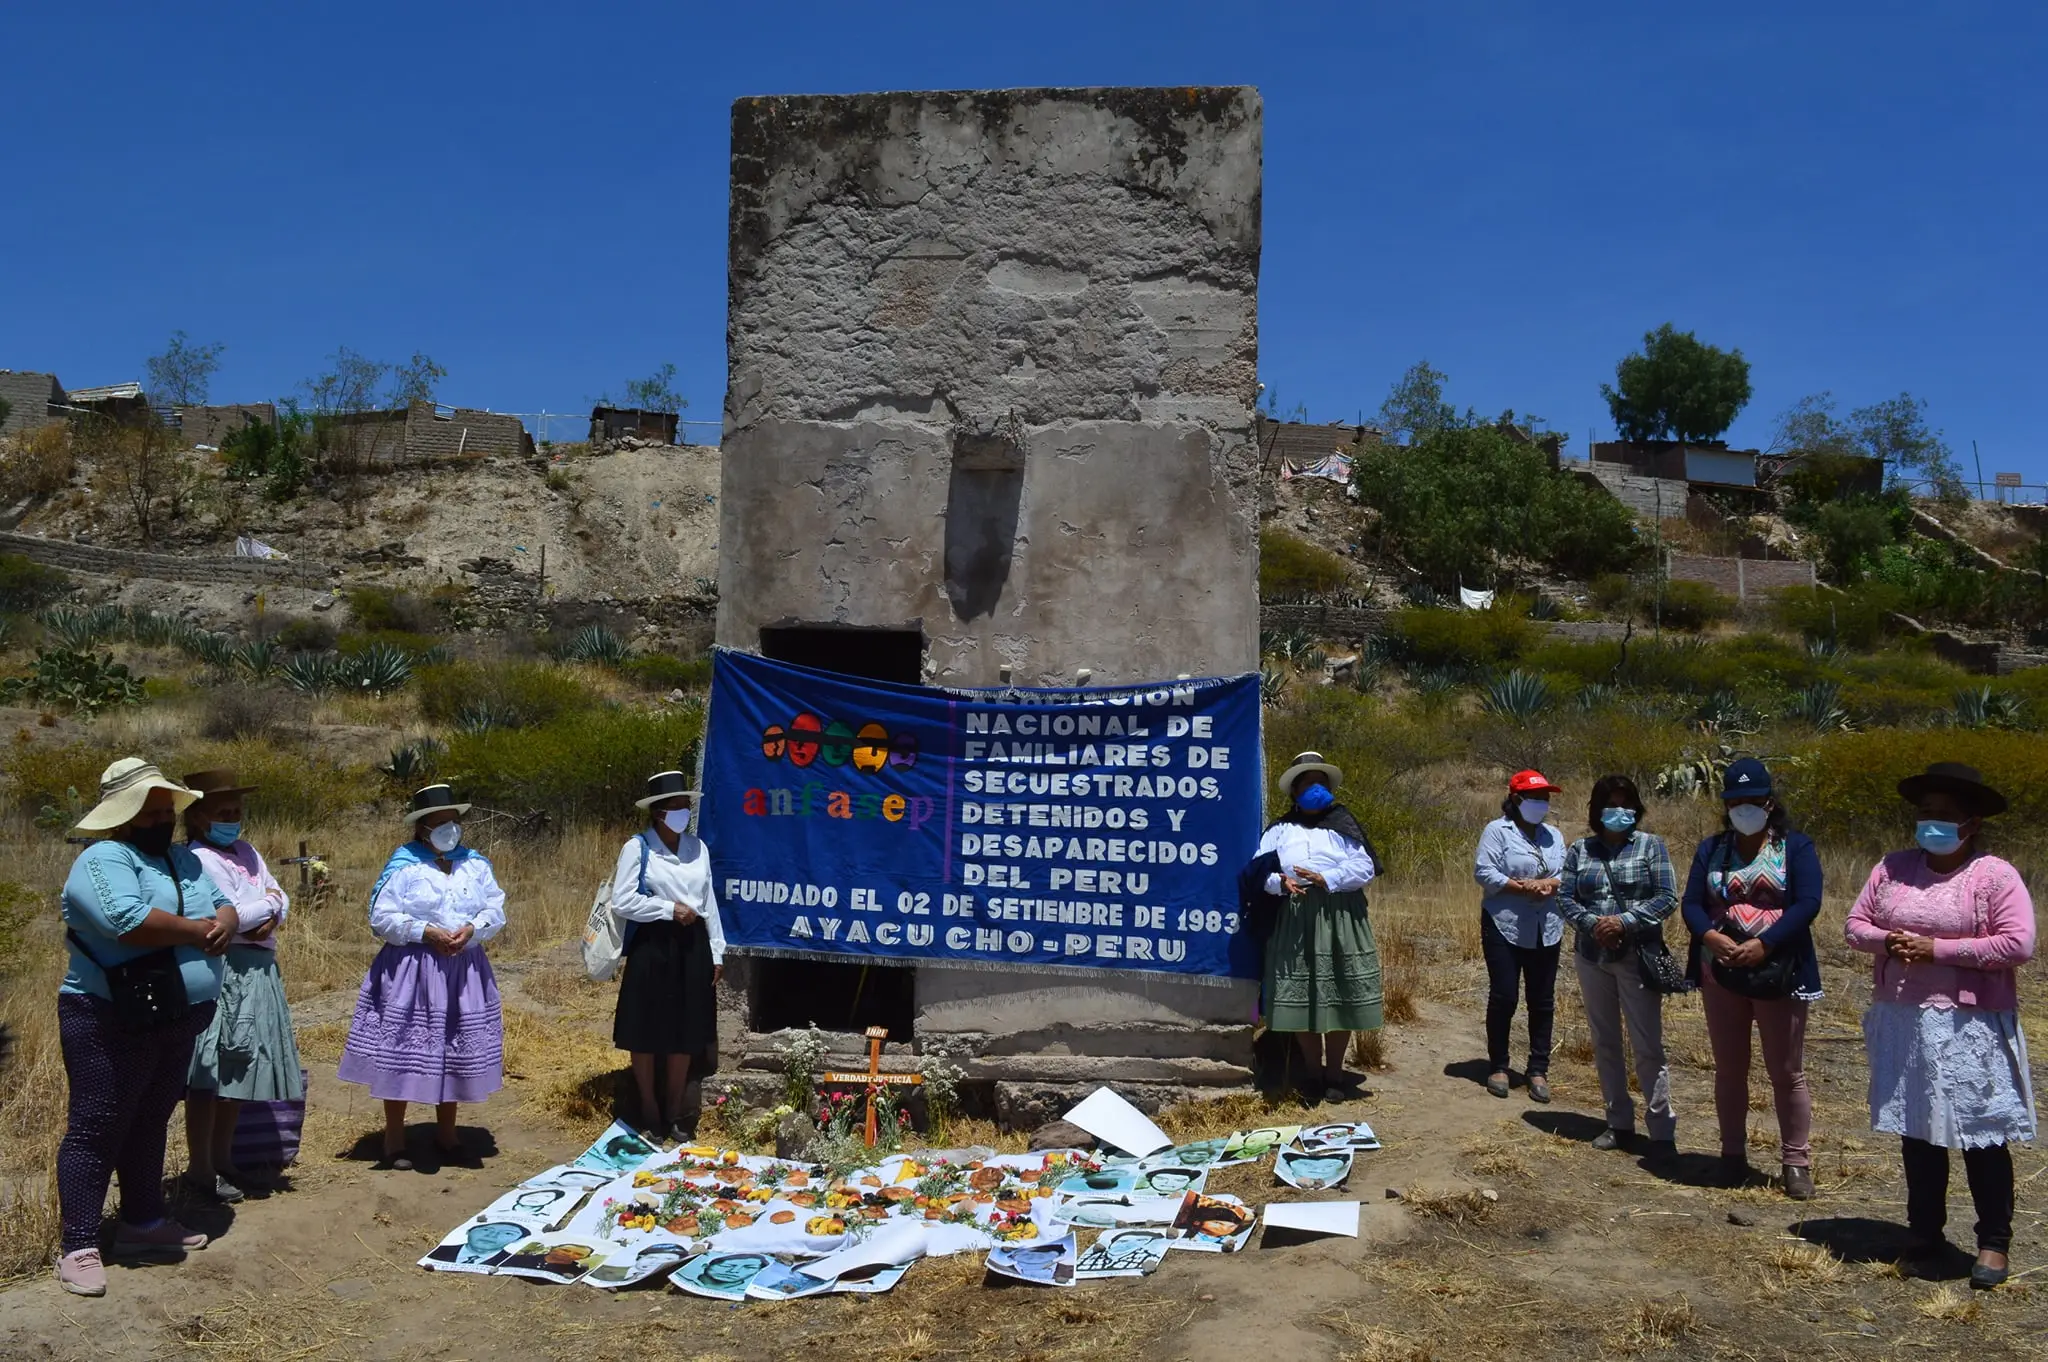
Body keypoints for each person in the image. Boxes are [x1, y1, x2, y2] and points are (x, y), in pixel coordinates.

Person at [1845, 762, 2036, 1290]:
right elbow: (1856, 925)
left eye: (1945, 816)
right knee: (1918, 1129)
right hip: (1905, 1016)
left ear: (1971, 824)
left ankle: (1993, 1242)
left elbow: (2017, 944)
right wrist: (1890, 941)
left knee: (1980, 1133)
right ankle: (1924, 1234)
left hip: (1970, 1023)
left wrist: (1939, 949)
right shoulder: (1893, 867)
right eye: (1926, 813)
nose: (1932, 823)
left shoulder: (1994, 876)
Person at [55, 759, 235, 1297]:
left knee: (151, 1117)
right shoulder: (102, 858)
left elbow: (221, 899)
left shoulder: (182, 857)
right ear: (124, 815)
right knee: (97, 1125)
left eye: (165, 810)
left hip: (174, 1013)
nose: (161, 819)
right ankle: (80, 1243)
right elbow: (124, 920)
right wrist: (201, 931)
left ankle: (142, 1221)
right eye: (149, 811)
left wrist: (224, 919)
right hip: (107, 1014)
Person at [337, 784, 506, 1171]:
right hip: (413, 969)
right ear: (422, 826)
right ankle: (394, 1138)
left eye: (453, 821)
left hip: (463, 969)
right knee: (404, 1046)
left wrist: (473, 928)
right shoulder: (404, 866)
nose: (449, 828)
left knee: (453, 1044)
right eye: (439, 822)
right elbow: (382, 917)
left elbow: (495, 908)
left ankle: (448, 1133)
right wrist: (425, 932)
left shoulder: (474, 864)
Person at [1680, 758, 1825, 1200]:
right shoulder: (1713, 848)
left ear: (1769, 802)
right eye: (1734, 801)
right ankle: (1731, 1156)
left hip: (1777, 972)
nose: (1743, 807)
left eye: (1751, 800)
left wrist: (1767, 943)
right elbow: (1691, 902)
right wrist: (1709, 935)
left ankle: (1795, 1162)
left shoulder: (1795, 847)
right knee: (1730, 1068)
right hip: (1720, 970)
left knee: (1786, 1071)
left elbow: (1808, 903)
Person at [177, 769, 305, 1205]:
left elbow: (279, 898)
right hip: (225, 972)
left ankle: (223, 1158)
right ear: (198, 817)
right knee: (210, 1070)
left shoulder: (246, 851)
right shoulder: (198, 859)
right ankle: (200, 1166)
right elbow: (227, 916)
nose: (232, 817)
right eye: (222, 811)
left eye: (236, 810)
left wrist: (269, 906)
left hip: (258, 967)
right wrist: (265, 905)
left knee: (238, 1068)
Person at [1249, 752, 1383, 1101]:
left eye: (1321, 783)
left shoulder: (1344, 825)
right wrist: (1280, 882)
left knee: (1338, 991)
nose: (1316, 789)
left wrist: (1328, 877)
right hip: (1294, 915)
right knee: (1304, 992)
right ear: (1294, 791)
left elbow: (1365, 867)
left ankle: (1335, 1075)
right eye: (1308, 783)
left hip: (1340, 915)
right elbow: (1258, 871)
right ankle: (1311, 1072)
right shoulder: (1278, 830)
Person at [1557, 774, 1680, 1157]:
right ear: (1597, 810)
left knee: (1647, 1044)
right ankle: (1618, 1122)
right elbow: (1565, 897)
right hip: (1592, 956)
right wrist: (1594, 924)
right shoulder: (1580, 850)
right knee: (1605, 1040)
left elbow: (1667, 897)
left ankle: (1661, 1130)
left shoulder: (1651, 847)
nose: (1620, 812)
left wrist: (1624, 922)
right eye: (1611, 805)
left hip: (1636, 956)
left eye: (1627, 805)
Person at [610, 771, 726, 1141]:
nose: (683, 813)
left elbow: (708, 902)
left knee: (685, 1030)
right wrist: (667, 909)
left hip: (692, 944)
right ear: (659, 813)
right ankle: (649, 1108)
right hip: (654, 944)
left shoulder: (698, 848)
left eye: (686, 806)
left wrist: (716, 950)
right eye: (676, 807)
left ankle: (675, 1111)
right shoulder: (638, 847)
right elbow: (623, 900)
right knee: (647, 1029)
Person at [1472, 769, 1568, 1103]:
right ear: (1516, 799)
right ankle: (1498, 1065)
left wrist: (1547, 885)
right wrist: (1522, 887)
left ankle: (1538, 1069)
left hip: (1548, 925)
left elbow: (1566, 873)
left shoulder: (1553, 835)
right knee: (1505, 996)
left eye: (1546, 798)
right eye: (1535, 798)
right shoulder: (1497, 831)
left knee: (1542, 1000)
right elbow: (1484, 871)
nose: (1542, 804)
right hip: (1505, 923)